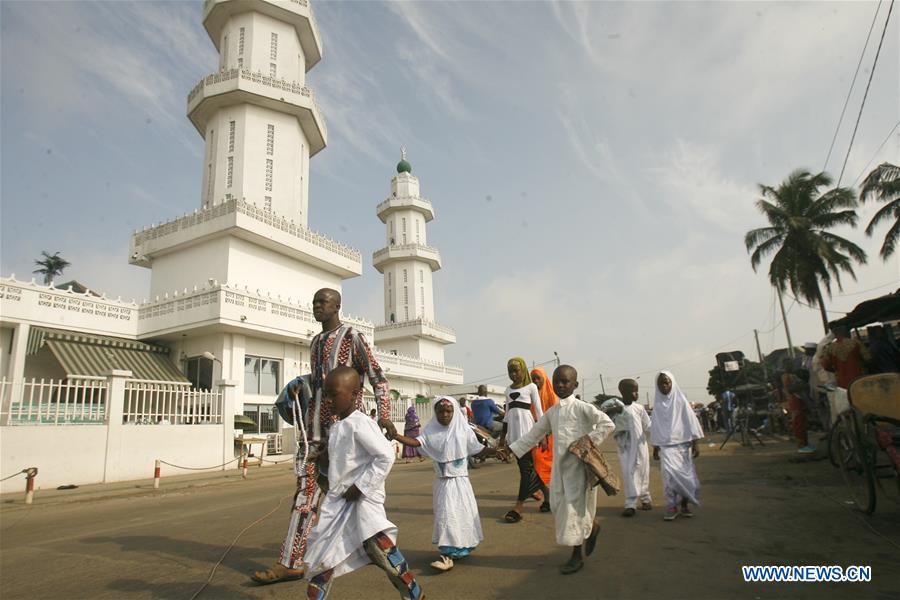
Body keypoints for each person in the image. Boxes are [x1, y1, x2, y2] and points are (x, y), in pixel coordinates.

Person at [251, 288, 396, 585]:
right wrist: (301, 384)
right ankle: (291, 561)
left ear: (337, 306)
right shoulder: (315, 342)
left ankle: (378, 552)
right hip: (314, 432)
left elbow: (377, 377)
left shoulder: (352, 337)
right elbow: (321, 382)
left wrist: (383, 415)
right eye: (315, 302)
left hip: (344, 434)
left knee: (355, 499)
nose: (317, 306)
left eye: (323, 302)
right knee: (305, 495)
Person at [303, 367, 423, 600]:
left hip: (363, 506)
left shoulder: (361, 423)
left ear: (354, 394)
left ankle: (415, 595)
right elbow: (342, 466)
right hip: (339, 506)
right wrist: (323, 461)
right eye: (326, 394)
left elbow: (385, 456)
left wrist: (361, 487)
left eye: (333, 394)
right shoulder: (338, 426)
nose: (328, 400)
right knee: (322, 559)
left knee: (387, 558)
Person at [508, 365, 614, 574]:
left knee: (574, 511)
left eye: (565, 382)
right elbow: (534, 434)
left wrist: (586, 442)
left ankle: (576, 556)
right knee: (558, 507)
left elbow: (607, 424)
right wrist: (513, 449)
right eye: (557, 381)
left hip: (580, 470)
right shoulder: (552, 412)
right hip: (559, 470)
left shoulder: (583, 407)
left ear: (574, 384)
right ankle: (592, 528)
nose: (560, 385)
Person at [390, 396, 497, 572]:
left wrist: (495, 451)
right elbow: (417, 442)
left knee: (462, 516)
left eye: (448, 411)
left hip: (461, 483)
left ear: (454, 412)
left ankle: (459, 549)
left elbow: (477, 448)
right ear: (435, 412)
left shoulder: (463, 430)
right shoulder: (431, 431)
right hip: (443, 484)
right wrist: (396, 436)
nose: (445, 415)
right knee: (446, 517)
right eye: (441, 411)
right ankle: (447, 554)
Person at [499, 357, 549, 521]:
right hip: (514, 435)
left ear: (523, 370)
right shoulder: (507, 390)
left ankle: (519, 507)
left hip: (528, 434)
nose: (513, 374)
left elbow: (540, 413)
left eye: (516, 370)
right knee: (527, 468)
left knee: (526, 469)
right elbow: (506, 416)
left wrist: (542, 436)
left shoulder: (531, 387)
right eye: (510, 371)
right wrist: (502, 440)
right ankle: (547, 498)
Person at [650, 371, 703, 521]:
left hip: (683, 446)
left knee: (685, 478)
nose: (664, 386)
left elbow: (691, 422)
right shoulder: (658, 405)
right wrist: (655, 447)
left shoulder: (681, 402)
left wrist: (696, 443)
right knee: (669, 478)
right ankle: (671, 505)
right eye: (661, 383)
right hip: (666, 447)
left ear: (672, 383)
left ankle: (684, 505)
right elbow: (656, 427)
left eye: (667, 382)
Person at [615, 379, 652, 516]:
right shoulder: (616, 408)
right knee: (628, 474)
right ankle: (630, 504)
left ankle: (645, 498)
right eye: (634, 390)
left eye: (637, 390)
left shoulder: (639, 408)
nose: (637, 393)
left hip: (640, 446)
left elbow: (648, 426)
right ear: (623, 392)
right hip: (625, 448)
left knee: (643, 472)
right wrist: (614, 411)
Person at [530, 366, 559, 491]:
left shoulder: (552, 396)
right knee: (536, 463)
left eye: (538, 378)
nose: (536, 381)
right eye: (533, 379)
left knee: (550, 465)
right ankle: (538, 490)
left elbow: (556, 419)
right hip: (536, 435)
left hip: (551, 436)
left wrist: (546, 436)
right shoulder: (531, 396)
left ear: (544, 379)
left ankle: (550, 491)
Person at [821, 323, 871, 388]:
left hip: (842, 382)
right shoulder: (856, 343)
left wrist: (837, 370)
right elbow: (868, 358)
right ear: (845, 332)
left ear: (835, 334)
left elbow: (825, 366)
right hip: (859, 379)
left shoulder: (830, 348)